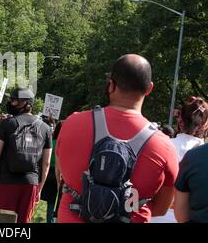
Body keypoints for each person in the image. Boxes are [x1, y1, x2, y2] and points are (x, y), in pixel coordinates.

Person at [56, 54, 179, 223]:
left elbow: (61, 172)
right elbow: (160, 209)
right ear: (149, 89)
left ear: (111, 85)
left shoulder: (72, 124)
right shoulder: (164, 146)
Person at [0, 88, 52, 223]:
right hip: (30, 183)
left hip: (5, 182)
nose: (11, 103)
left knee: (0, 221)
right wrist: (39, 188)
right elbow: (46, 163)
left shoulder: (7, 124)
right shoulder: (45, 128)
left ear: (25, 103)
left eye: (14, 100)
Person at [165, 97, 208, 223]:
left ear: (180, 120)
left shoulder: (163, 146)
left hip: (160, 214)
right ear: (205, 124)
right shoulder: (201, 155)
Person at [41, 119, 62, 223]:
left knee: (39, 196)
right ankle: (49, 221)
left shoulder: (51, 142)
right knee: (51, 202)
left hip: (46, 172)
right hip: (56, 175)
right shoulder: (64, 144)